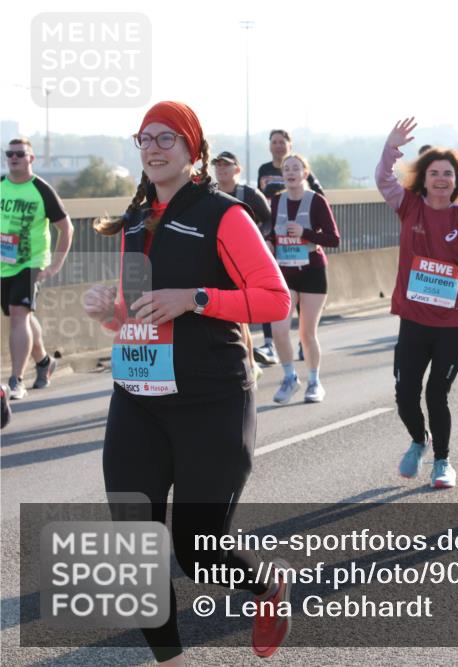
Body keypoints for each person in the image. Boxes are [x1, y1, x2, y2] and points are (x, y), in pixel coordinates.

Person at [83, 101, 292, 663]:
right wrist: (108, 310)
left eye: (166, 138)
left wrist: (196, 299)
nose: (152, 148)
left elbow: (275, 299)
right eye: (144, 138)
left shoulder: (225, 215)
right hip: (138, 399)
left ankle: (269, 587)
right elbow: (136, 313)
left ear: (192, 149)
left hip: (211, 400)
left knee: (198, 550)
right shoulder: (134, 219)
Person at [376, 118, 458, 489]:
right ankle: (420, 441)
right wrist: (390, 147)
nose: (440, 179)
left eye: (447, 174)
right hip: (414, 320)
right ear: (424, 178)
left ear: (456, 181)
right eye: (434, 173)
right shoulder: (409, 207)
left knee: (437, 393)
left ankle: (443, 462)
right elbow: (384, 181)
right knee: (405, 395)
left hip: (452, 323)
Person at [1, 137, 73, 399]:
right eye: (10, 153)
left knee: (19, 314)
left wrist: (54, 265)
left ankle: (16, 380)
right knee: (23, 317)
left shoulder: (41, 189)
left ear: (31, 158)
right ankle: (44, 362)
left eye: (20, 153)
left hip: (30, 263)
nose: (14, 157)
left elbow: (66, 228)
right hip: (3, 264)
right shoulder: (1, 186)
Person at [267, 154, 340, 404]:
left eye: (295, 168)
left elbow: (333, 239)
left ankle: (314, 381)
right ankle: (289, 378)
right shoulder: (276, 201)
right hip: (285, 272)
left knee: (307, 333)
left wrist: (305, 233)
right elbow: (272, 232)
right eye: (286, 169)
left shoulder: (316, 201)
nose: (290, 173)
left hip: (312, 272)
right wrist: (269, 242)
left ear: (305, 173)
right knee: (278, 330)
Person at [254, 129, 326, 365]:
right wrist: (269, 237)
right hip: (278, 245)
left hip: (305, 252)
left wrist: (306, 229)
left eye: (282, 142)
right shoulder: (264, 171)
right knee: (274, 302)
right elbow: (260, 203)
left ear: (289, 145)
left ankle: (304, 344)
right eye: (273, 142)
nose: (278, 146)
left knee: (304, 315)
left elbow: (319, 197)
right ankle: (271, 346)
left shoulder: (303, 172)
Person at [212, 150, 272, 386]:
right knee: (236, 318)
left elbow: (268, 219)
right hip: (218, 258)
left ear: (237, 169)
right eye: (217, 165)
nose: (221, 169)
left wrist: (261, 238)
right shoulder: (210, 193)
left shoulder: (249, 194)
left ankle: (249, 364)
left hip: (245, 259)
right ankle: (249, 363)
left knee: (240, 317)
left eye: (226, 165)